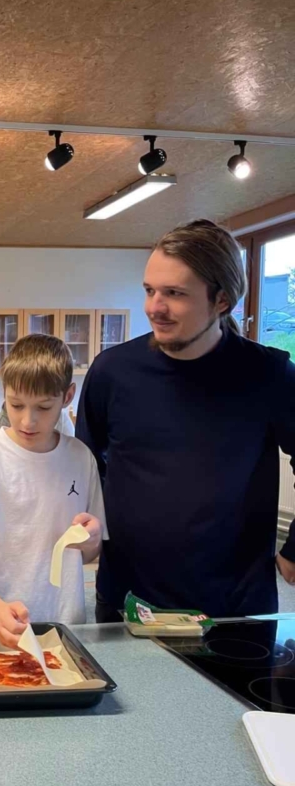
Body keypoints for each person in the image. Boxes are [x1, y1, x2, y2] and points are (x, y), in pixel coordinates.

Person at [76, 218, 295, 621]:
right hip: (128, 600)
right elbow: (85, 465)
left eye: (174, 293)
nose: (154, 308)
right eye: (149, 290)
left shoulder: (270, 374)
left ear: (222, 300)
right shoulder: (112, 372)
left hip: (234, 607)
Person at [0, 334, 105, 648]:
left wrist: (92, 538)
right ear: (3, 393)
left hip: (63, 626)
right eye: (16, 405)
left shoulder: (80, 458)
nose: (27, 421)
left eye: (43, 407)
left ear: (67, 396)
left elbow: (88, 553)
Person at [0, 402, 75, 436]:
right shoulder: (0, 421)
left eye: (43, 407)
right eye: (16, 405)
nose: (28, 423)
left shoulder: (62, 423)